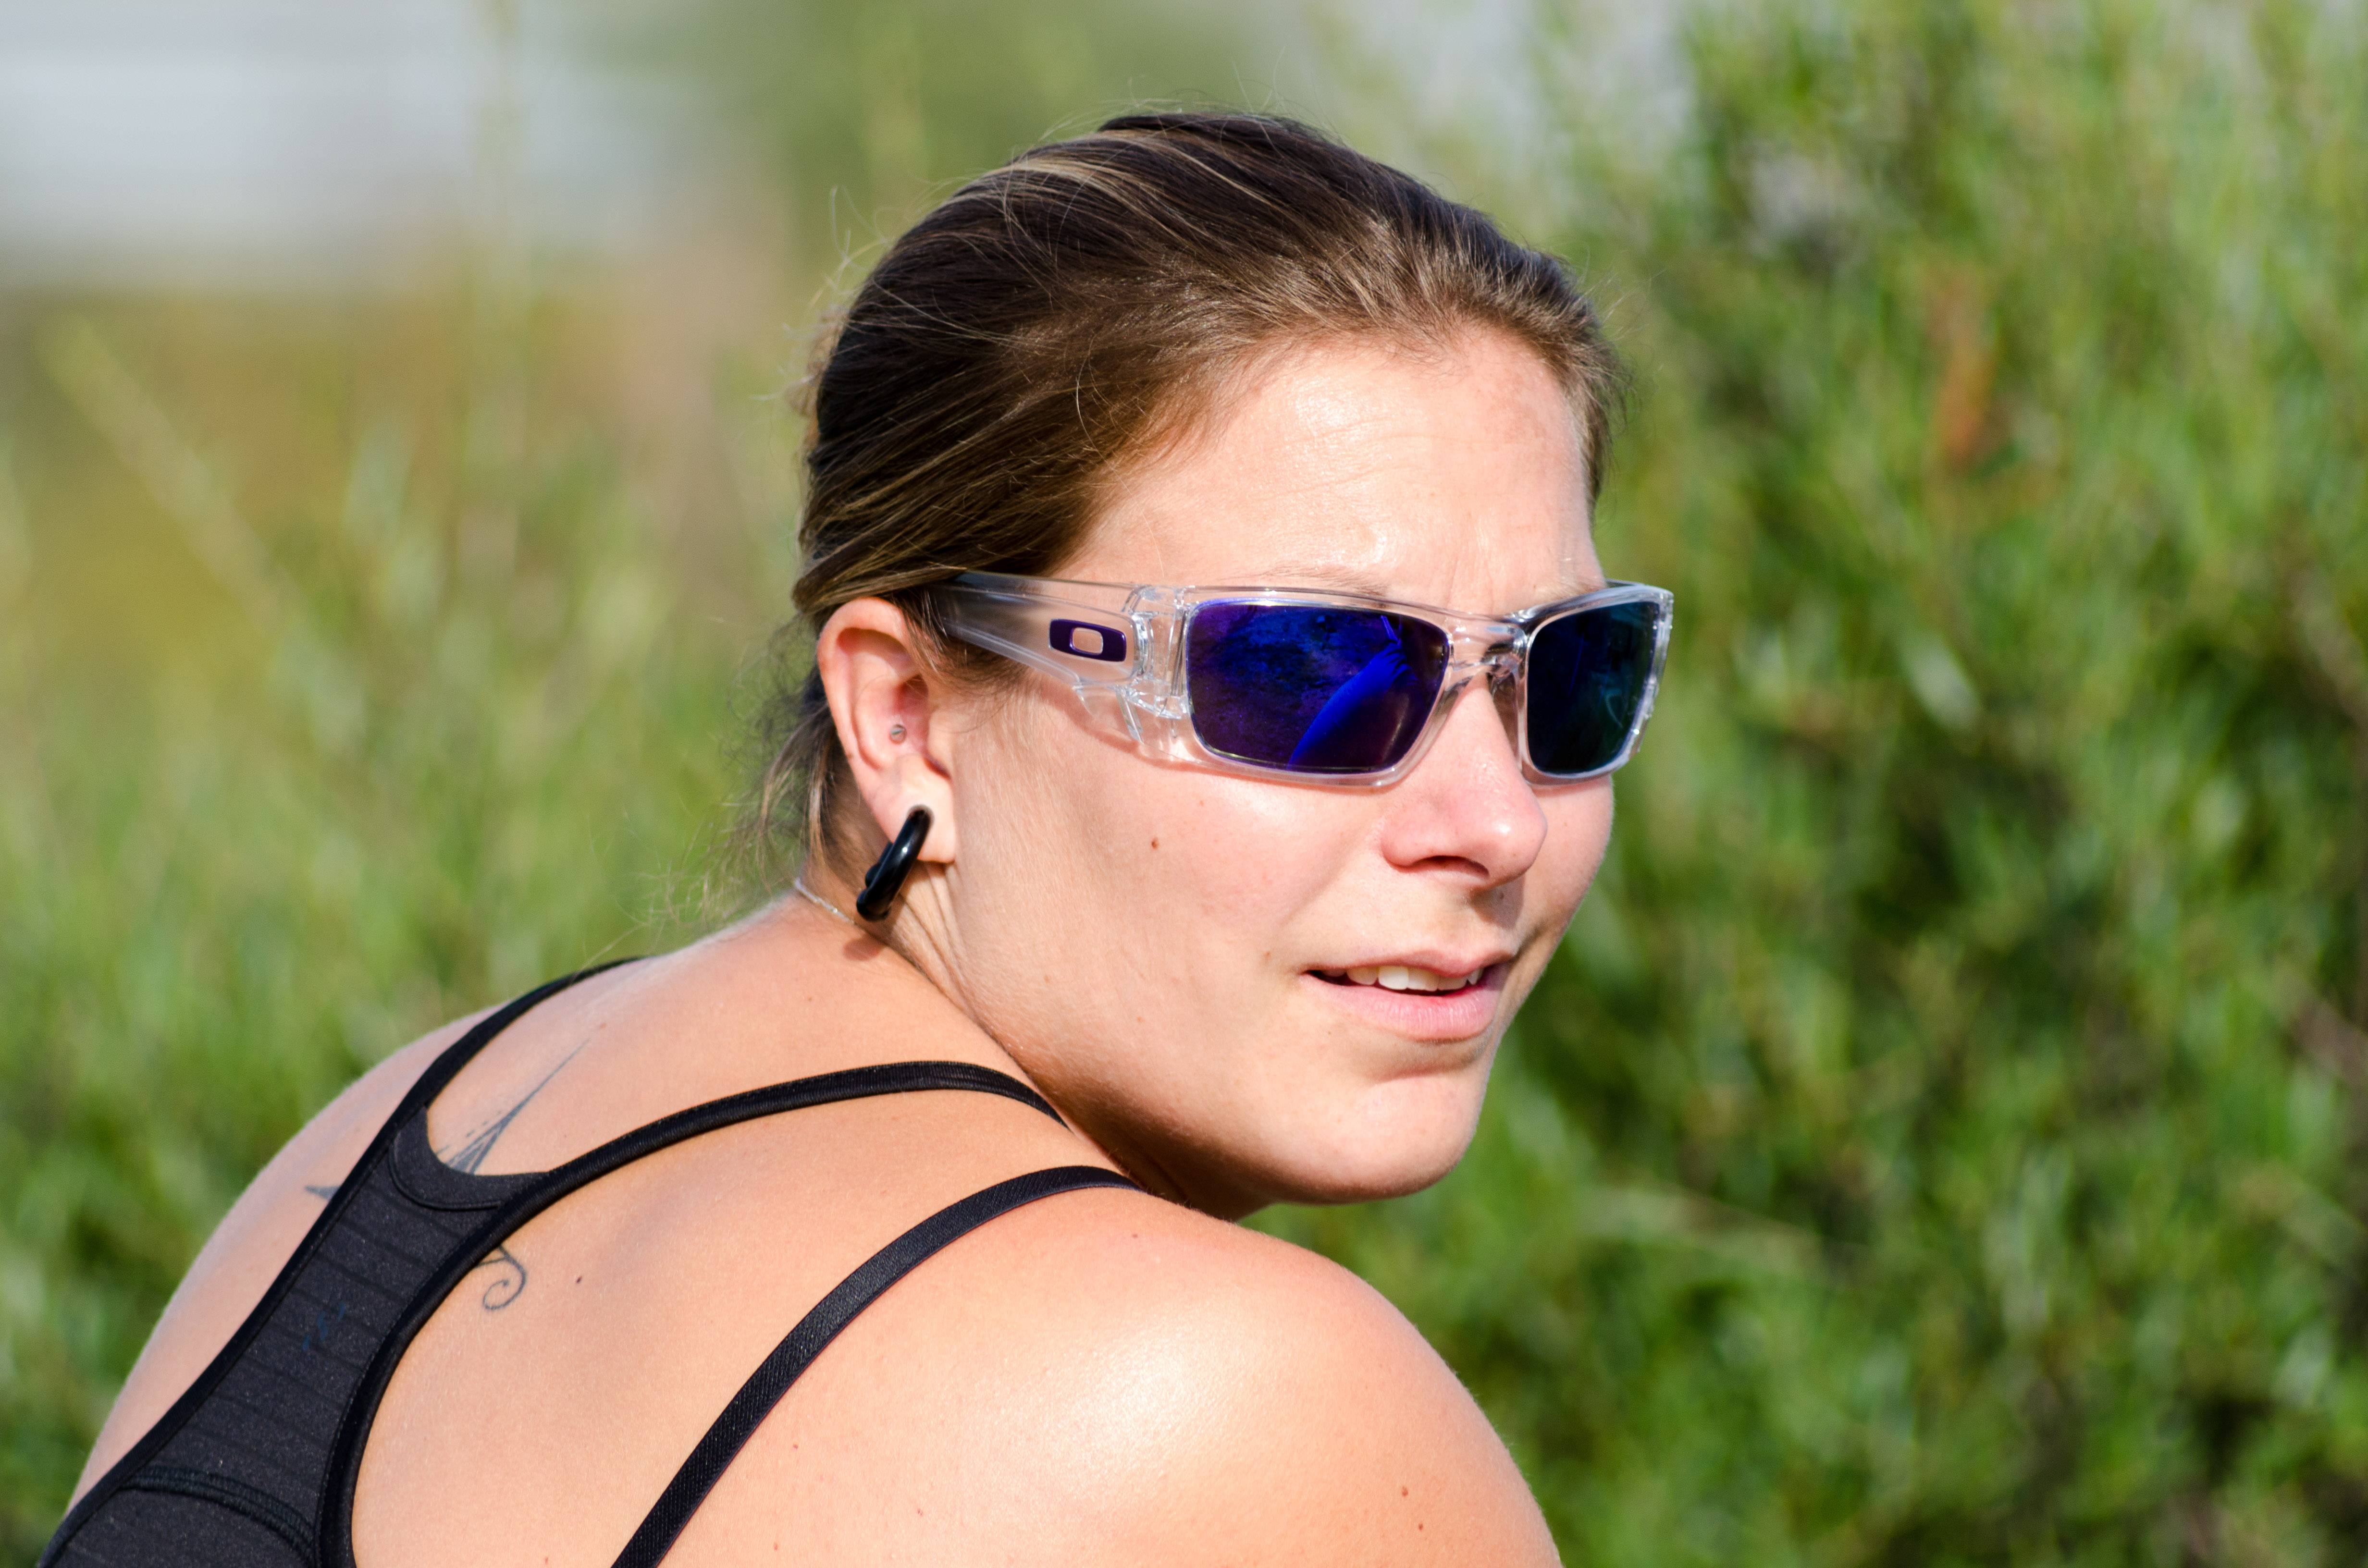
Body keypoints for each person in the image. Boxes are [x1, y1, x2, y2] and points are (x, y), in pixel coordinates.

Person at [44, 111, 1668, 1567]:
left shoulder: (368, 1165)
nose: (1494, 822)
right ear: (907, 717)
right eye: (1308, 675)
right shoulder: (1239, 1400)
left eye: (1572, 673)